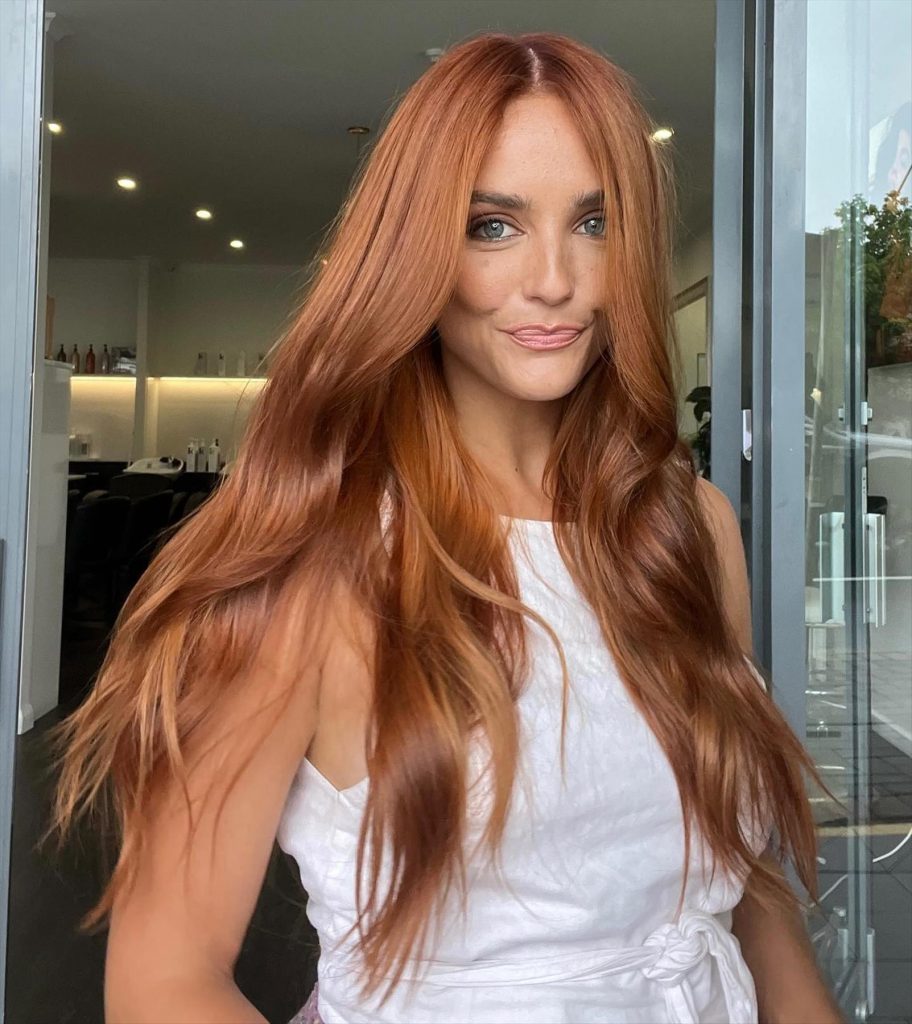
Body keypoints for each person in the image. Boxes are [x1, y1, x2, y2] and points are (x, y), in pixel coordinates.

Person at [44, 32, 844, 1024]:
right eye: (492, 225)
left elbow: (745, 879)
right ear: (416, 249)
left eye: (593, 221)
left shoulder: (690, 527)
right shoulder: (315, 561)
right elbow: (164, 979)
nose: (554, 278)